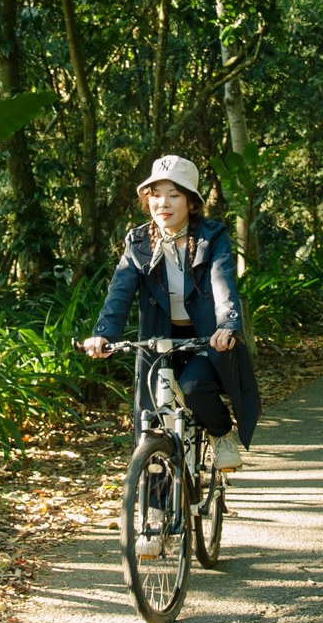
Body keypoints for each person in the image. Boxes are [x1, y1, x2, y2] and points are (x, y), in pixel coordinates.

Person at [83, 154, 260, 472]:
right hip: (158, 340)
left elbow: (222, 284)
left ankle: (222, 434)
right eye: (155, 194)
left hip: (205, 338)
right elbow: (119, 293)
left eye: (174, 195)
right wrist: (104, 334)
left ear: (191, 203)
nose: (162, 203)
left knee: (193, 388)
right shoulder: (138, 242)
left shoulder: (212, 237)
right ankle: (156, 512)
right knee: (150, 422)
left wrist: (227, 325)